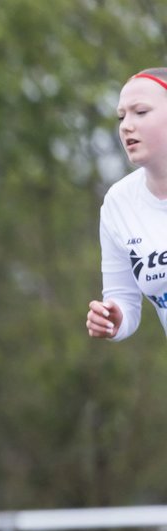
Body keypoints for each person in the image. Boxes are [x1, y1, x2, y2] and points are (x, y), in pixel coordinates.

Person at [87, 68, 167, 344]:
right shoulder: (118, 203)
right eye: (122, 116)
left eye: (141, 112)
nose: (126, 125)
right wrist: (113, 317)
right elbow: (122, 297)